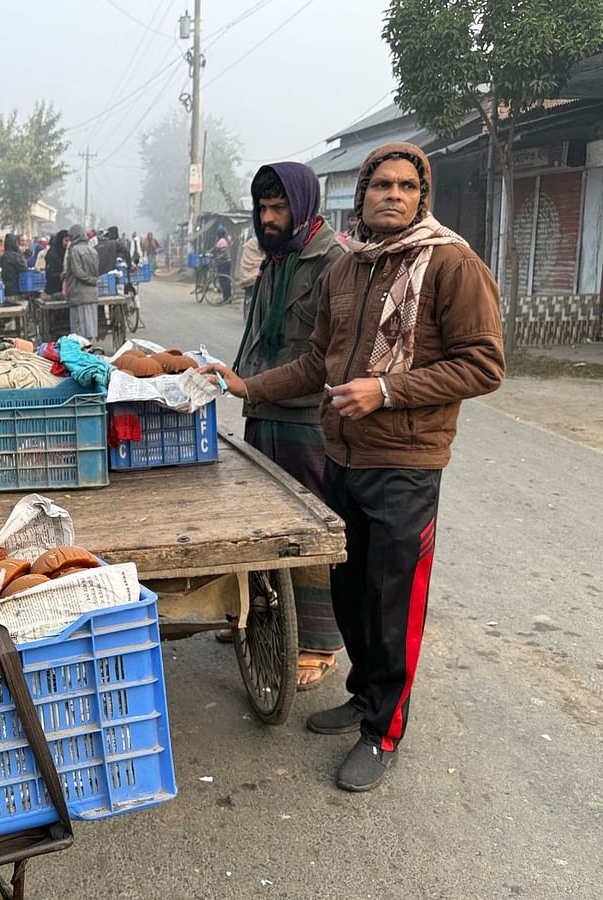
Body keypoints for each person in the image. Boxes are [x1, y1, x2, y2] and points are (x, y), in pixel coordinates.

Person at [201, 142, 504, 792]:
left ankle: (383, 731)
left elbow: (485, 364)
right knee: (351, 594)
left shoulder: (451, 264)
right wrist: (248, 387)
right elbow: (318, 363)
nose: (393, 194)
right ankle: (364, 694)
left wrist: (387, 390)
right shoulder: (349, 269)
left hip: (406, 464)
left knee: (392, 602)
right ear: (361, 194)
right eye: (381, 184)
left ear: (422, 197)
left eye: (406, 185)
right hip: (340, 456)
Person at [231, 163, 347, 690]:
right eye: (263, 209)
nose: (269, 218)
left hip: (306, 419)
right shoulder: (276, 259)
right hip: (264, 414)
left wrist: (252, 386)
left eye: (279, 209)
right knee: (263, 527)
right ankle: (260, 617)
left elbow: (327, 361)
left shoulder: (333, 263)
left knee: (309, 530)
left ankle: (319, 641)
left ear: (302, 206)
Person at [64, 223, 99, 339]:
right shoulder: (92, 250)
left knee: (79, 331)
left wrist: (90, 280)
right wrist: (93, 280)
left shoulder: (74, 250)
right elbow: (95, 271)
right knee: (90, 328)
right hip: (91, 294)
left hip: (78, 294)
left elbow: (78, 272)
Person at [0, 232, 29, 297]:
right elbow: (24, 268)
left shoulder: (4, 255)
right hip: (15, 289)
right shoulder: (13, 256)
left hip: (7, 289)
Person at [44, 229, 70, 296]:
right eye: (66, 240)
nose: (68, 243)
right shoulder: (52, 254)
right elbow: (49, 274)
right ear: (60, 240)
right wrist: (61, 274)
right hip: (53, 291)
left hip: (65, 290)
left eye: (70, 240)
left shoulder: (68, 252)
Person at [212, 225, 232, 302]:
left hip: (224, 264)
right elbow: (215, 250)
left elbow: (222, 254)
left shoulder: (222, 242)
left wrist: (215, 258)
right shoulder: (220, 241)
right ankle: (227, 298)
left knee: (225, 281)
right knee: (224, 281)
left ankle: (227, 298)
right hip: (222, 263)